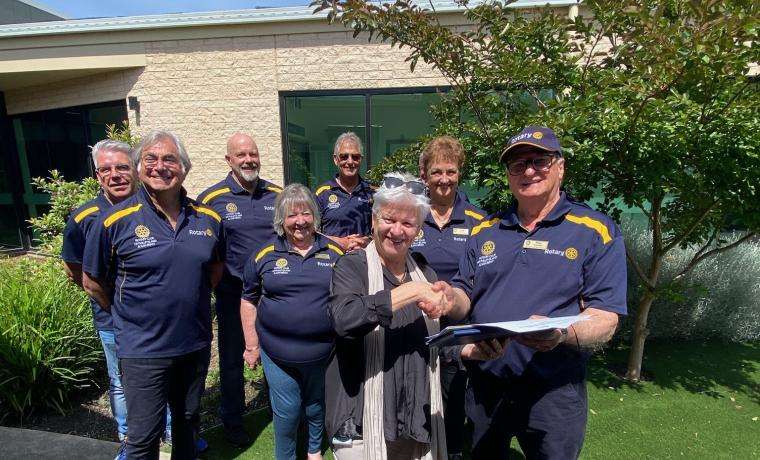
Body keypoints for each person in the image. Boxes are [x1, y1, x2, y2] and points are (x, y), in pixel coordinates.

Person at [439, 126, 627, 459]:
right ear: (509, 176)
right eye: (517, 165)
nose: (528, 171)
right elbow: (464, 291)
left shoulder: (595, 230)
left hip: (553, 392)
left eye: (539, 161)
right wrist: (448, 297)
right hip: (488, 385)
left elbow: (605, 317)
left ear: (560, 167)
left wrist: (562, 332)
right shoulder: (485, 229)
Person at [326, 172, 505, 460]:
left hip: (413, 419)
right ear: (373, 220)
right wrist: (410, 292)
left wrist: (470, 351)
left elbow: (435, 341)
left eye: (408, 223)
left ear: (418, 229)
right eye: (389, 219)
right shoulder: (352, 267)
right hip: (360, 423)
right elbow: (344, 320)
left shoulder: (423, 271)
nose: (397, 231)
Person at [83, 130, 224, 460]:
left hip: (194, 344)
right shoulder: (113, 221)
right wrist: (127, 316)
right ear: (138, 167)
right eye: (151, 159)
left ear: (184, 168)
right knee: (144, 436)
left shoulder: (209, 219)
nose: (161, 166)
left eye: (170, 159)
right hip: (142, 349)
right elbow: (92, 281)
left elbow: (215, 270)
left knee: (188, 423)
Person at [240, 184, 340, 460]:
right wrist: (252, 345)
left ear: (315, 216)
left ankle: (313, 450)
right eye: (291, 215)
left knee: (316, 405)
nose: (300, 222)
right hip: (278, 352)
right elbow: (249, 300)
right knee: (287, 410)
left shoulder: (333, 252)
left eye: (305, 213)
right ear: (281, 221)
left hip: (323, 351)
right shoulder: (264, 255)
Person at [197, 132, 282, 447]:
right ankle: (232, 421)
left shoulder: (276, 195)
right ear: (228, 160)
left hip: (274, 294)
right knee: (233, 361)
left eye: (253, 154)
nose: (249, 160)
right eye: (241, 155)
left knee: (276, 353)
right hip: (233, 295)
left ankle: (280, 412)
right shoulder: (211, 198)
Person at [412, 136, 486, 460]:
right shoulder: (410, 215)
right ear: (424, 174)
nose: (444, 179)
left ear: (460, 174)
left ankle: (453, 452)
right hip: (414, 327)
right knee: (417, 399)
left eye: (451, 171)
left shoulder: (478, 221)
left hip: (458, 329)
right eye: (437, 171)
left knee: (454, 401)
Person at [62, 139, 135, 459]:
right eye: (106, 169)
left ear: (134, 170)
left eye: (122, 167)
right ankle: (128, 438)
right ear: (97, 175)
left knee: (164, 376)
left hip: (153, 319)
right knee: (119, 379)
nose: (115, 175)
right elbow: (74, 269)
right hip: (111, 319)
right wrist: (111, 306)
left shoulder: (153, 208)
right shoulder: (84, 217)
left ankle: (170, 432)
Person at [314, 132, 374, 252]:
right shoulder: (322, 194)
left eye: (355, 157)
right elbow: (311, 233)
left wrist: (366, 241)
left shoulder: (371, 193)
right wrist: (341, 242)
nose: (350, 161)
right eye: (344, 156)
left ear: (361, 159)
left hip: (363, 260)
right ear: (336, 160)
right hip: (332, 260)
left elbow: (380, 231)